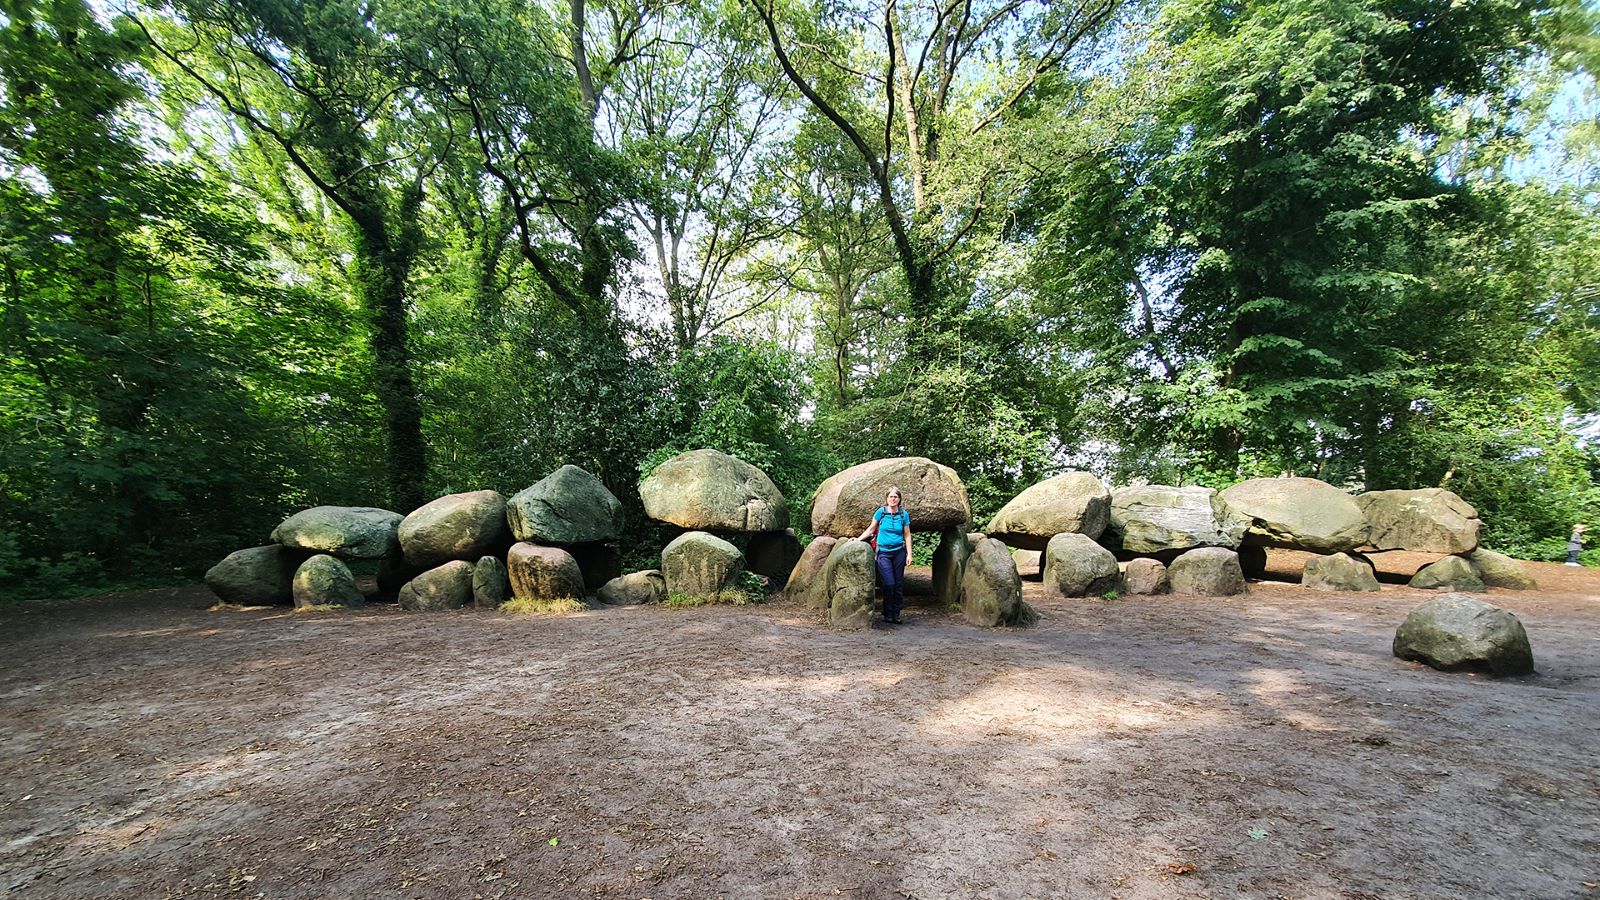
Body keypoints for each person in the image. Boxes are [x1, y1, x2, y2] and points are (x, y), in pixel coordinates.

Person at [858, 487, 911, 624]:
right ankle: (887, 612)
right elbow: (871, 529)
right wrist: (858, 539)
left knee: (898, 584)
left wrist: (909, 554)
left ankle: (896, 613)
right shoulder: (880, 513)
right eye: (891, 497)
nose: (893, 499)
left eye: (896, 497)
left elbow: (907, 535)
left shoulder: (903, 514)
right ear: (886, 499)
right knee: (889, 584)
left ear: (899, 499)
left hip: (899, 552)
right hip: (883, 553)